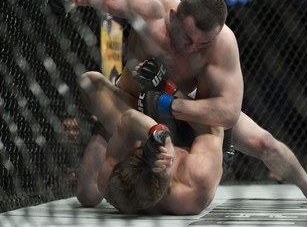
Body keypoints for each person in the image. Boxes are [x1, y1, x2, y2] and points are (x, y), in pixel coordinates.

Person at [44, 0, 307, 207]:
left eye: (203, 43)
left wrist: (165, 101)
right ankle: (110, 130)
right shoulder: (148, 8)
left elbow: (227, 112)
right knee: (88, 196)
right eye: (187, 37)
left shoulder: (223, 43)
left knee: (264, 143)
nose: (192, 48)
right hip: (130, 101)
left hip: (190, 108)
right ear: (173, 16)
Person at [76, 71, 224, 214]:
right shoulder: (195, 180)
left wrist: (155, 131)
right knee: (215, 86)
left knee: (89, 82)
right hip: (192, 127)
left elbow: (127, 120)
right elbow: (215, 127)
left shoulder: (110, 181)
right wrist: (169, 92)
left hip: (145, 122)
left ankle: (107, 127)